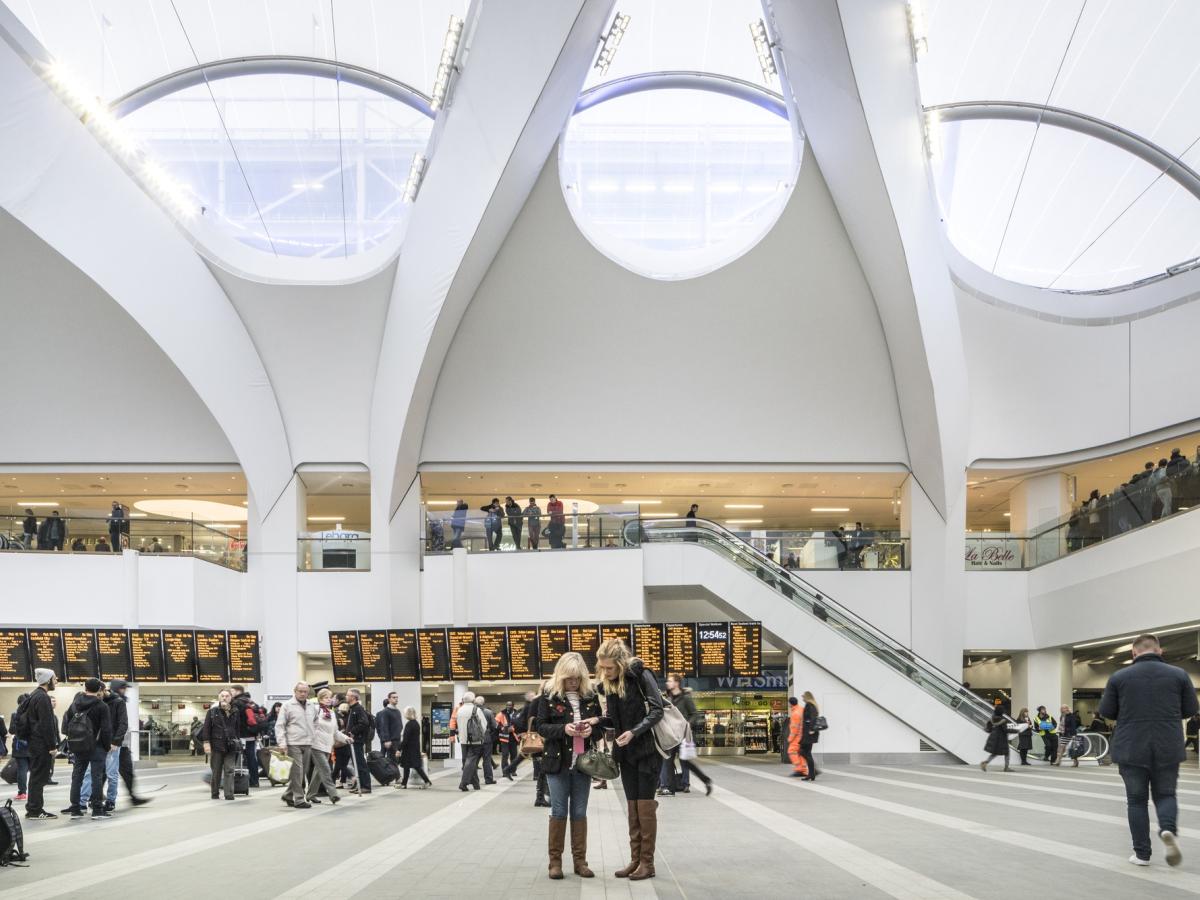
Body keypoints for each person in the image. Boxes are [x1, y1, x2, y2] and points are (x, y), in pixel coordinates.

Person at [1099, 632, 1198, 867]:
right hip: (1168, 745)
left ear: (1134, 652)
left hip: (1131, 746)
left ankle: (1142, 854)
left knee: (1136, 801)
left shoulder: (1119, 677)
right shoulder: (1179, 675)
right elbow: (1191, 709)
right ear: (1160, 651)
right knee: (1166, 794)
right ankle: (1167, 829)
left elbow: (1107, 711)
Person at [595, 638, 664, 881]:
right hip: (625, 754)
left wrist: (634, 731)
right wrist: (596, 721)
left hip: (647, 752)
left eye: (610, 668)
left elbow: (658, 710)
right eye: (602, 668)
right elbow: (613, 720)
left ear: (621, 664)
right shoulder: (609, 685)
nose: (605, 672)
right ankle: (635, 860)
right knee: (632, 807)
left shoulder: (642, 675)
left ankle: (648, 863)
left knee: (645, 807)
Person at [536, 652, 602, 880]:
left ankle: (580, 862)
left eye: (577, 678)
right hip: (557, 763)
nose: (573, 682)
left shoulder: (590, 696)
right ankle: (555, 863)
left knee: (579, 812)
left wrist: (592, 729)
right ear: (561, 676)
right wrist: (564, 729)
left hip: (583, 764)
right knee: (559, 811)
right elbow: (541, 727)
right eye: (569, 678)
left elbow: (602, 724)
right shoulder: (548, 696)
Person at [62, 678, 113, 819]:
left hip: (78, 745)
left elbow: (66, 725)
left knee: (77, 776)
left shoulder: (75, 704)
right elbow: (106, 729)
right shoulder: (102, 706)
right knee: (96, 777)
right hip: (97, 747)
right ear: (99, 689)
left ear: (86, 688)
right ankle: (97, 810)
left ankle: (75, 809)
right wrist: (107, 746)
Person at [80, 679, 128, 812]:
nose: (96, 696)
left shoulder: (118, 702)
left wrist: (115, 741)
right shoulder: (96, 702)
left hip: (112, 744)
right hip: (96, 745)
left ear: (103, 691)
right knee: (90, 773)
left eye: (98, 694)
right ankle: (83, 801)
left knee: (111, 774)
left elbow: (123, 724)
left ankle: (111, 800)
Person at [660, 673, 712, 796]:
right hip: (672, 736)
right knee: (667, 760)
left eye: (670, 681)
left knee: (686, 762)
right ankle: (669, 789)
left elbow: (695, 714)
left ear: (677, 683)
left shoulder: (686, 698)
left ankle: (705, 780)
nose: (668, 683)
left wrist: (689, 723)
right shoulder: (668, 698)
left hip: (683, 736)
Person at [21, 668, 59, 819]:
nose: (56, 681)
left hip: (34, 742)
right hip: (41, 744)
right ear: (48, 680)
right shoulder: (42, 698)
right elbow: (46, 724)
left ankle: (33, 808)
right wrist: (52, 746)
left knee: (36, 776)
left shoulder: (33, 695)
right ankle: (35, 810)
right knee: (39, 777)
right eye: (54, 678)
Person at [276, 682, 316, 809]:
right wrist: (282, 743)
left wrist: (313, 735)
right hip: (293, 743)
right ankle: (299, 799)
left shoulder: (311, 706)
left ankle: (288, 794)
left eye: (305, 691)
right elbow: (280, 725)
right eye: (300, 691)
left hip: (308, 742)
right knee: (297, 772)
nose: (303, 694)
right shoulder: (287, 706)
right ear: (295, 691)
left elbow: (316, 722)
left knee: (301, 772)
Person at [200, 689, 241, 801]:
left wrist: (238, 741)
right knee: (216, 771)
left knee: (229, 770)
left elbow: (237, 729)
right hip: (216, 745)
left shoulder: (235, 711)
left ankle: (229, 794)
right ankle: (215, 793)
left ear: (231, 698)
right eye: (222, 696)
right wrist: (206, 743)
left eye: (227, 696)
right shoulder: (212, 712)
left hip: (231, 746)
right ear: (219, 698)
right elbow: (206, 729)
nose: (224, 698)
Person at [304, 688, 341, 806]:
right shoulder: (315, 709)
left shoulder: (331, 713)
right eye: (326, 697)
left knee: (318, 772)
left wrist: (346, 738)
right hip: (316, 744)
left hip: (327, 745)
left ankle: (310, 794)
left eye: (330, 697)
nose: (329, 699)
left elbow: (335, 731)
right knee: (325, 769)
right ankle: (333, 793)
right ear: (320, 698)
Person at [456, 691, 487, 791]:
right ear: (473, 700)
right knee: (471, 761)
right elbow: (484, 725)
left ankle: (476, 784)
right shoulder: (476, 710)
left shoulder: (459, 710)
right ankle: (463, 783)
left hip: (463, 740)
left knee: (468, 761)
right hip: (475, 740)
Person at [344, 689, 373, 794]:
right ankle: (360, 785)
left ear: (353, 697)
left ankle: (366, 786)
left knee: (360, 763)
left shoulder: (358, 709)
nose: (346, 697)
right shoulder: (353, 709)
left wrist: (352, 731)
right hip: (354, 740)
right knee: (357, 764)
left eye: (347, 695)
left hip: (357, 741)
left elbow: (364, 723)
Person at [399, 705, 431, 788]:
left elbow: (405, 739)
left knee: (414, 766)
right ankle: (404, 784)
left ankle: (427, 781)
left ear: (407, 714)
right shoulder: (416, 723)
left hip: (409, 749)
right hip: (415, 748)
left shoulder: (409, 724)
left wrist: (399, 748)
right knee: (410, 766)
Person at [376, 691, 403, 776]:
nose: (396, 699)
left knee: (395, 759)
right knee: (392, 759)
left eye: (397, 697)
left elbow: (400, 725)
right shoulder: (385, 712)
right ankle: (397, 777)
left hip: (397, 739)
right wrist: (386, 740)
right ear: (389, 699)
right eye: (394, 697)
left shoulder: (397, 711)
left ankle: (393, 776)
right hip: (390, 740)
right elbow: (384, 726)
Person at [980, 708, 1015, 772]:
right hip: (1001, 739)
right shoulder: (1003, 720)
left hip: (994, 738)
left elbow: (989, 729)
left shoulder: (992, 719)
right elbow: (1005, 730)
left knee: (995, 753)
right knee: (1007, 753)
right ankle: (1006, 767)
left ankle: (985, 763)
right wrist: (1016, 730)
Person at [10, 695, 29, 801]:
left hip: (19, 747)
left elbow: (12, 730)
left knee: (22, 770)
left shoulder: (15, 715)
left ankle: (22, 792)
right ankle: (34, 792)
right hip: (33, 746)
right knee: (34, 770)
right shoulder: (34, 714)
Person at [475, 695, 497, 785]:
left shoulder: (472, 712)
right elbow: (494, 726)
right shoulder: (488, 712)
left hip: (475, 739)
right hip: (487, 738)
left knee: (474, 760)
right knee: (487, 760)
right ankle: (488, 779)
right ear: (483, 703)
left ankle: (473, 780)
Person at [799, 692, 820, 780]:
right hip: (808, 732)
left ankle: (812, 772)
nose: (802, 698)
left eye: (803, 696)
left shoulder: (809, 705)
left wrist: (812, 729)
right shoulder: (811, 705)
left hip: (809, 733)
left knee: (804, 752)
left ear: (807, 697)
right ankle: (812, 773)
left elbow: (813, 718)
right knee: (806, 753)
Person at [496, 700, 519, 779]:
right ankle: (505, 771)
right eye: (507, 705)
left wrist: (514, 729)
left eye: (510, 705)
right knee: (505, 755)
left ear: (513, 706)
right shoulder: (501, 714)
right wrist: (503, 728)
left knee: (514, 755)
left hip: (513, 737)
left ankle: (513, 771)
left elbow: (521, 724)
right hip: (504, 737)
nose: (508, 707)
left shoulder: (517, 714)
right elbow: (496, 724)